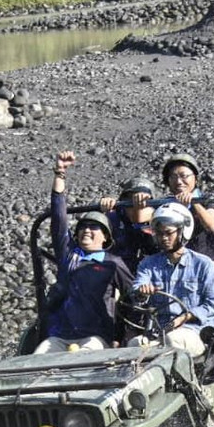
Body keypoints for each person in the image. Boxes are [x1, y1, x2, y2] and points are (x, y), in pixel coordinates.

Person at [35, 151, 134, 354]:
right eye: (83, 226)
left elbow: (133, 295)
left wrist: (122, 337)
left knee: (82, 360)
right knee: (39, 356)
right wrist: (60, 173)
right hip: (60, 335)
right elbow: (59, 219)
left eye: (94, 227)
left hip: (95, 337)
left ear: (106, 237)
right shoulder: (69, 255)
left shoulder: (113, 263)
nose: (87, 230)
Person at [127, 202, 214, 357]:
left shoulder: (203, 264)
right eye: (159, 234)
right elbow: (137, 288)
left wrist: (185, 316)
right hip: (160, 333)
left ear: (183, 231)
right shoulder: (148, 264)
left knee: (173, 340)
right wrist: (142, 292)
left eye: (168, 233)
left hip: (195, 332)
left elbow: (213, 304)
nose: (164, 238)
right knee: (133, 345)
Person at [161, 153, 214, 262]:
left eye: (184, 176)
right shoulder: (165, 204)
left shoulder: (209, 200)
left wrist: (194, 202)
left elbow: (211, 225)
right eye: (173, 177)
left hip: (208, 264)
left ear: (196, 178)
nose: (179, 182)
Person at [98, 176, 157, 273]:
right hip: (117, 273)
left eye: (144, 200)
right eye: (131, 199)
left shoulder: (160, 220)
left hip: (150, 275)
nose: (137, 205)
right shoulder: (113, 218)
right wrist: (101, 214)